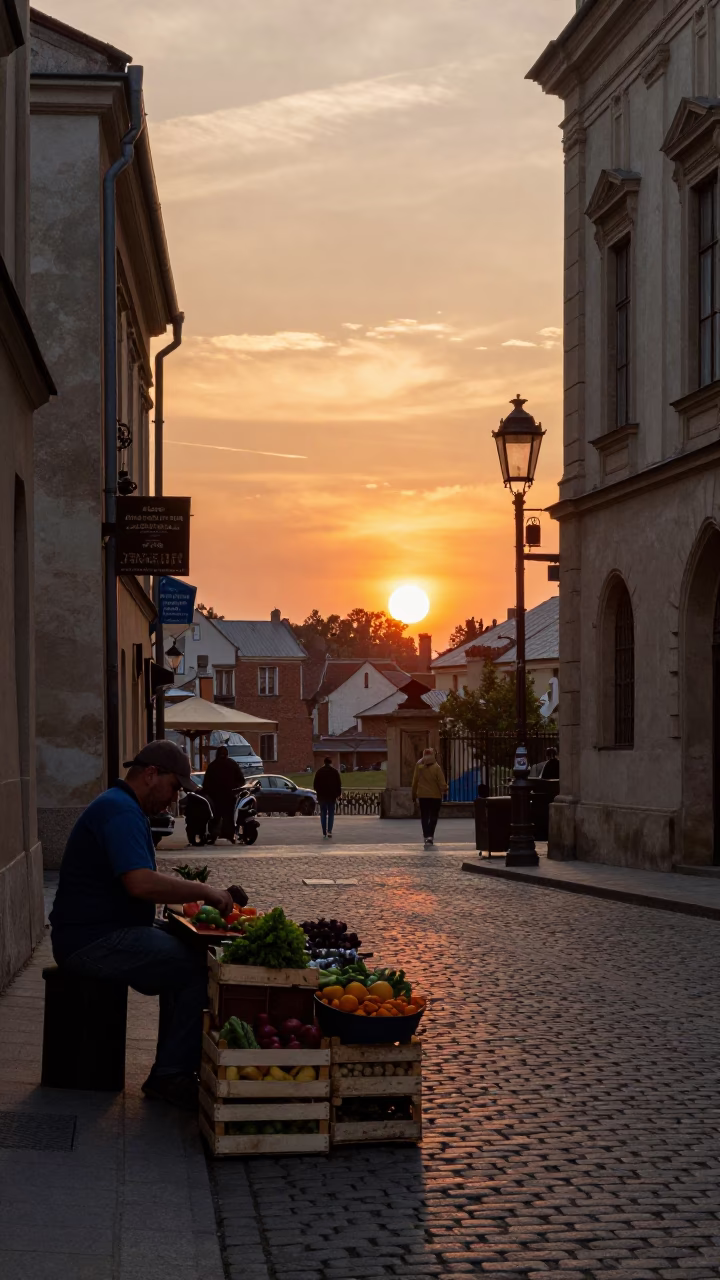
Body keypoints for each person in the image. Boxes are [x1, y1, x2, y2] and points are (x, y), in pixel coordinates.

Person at [49, 740, 236, 1110]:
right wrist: (202, 890)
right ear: (151, 774)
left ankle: (174, 1067)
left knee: (187, 954)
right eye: (174, 787)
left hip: (101, 930)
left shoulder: (121, 806)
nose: (174, 798)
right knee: (194, 967)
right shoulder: (119, 811)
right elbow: (140, 883)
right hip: (90, 940)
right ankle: (170, 1074)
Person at [202, 745, 245, 842]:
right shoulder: (232, 764)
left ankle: (213, 835)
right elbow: (241, 779)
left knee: (215, 816)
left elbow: (206, 783)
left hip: (215, 796)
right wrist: (236, 788)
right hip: (229, 795)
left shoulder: (212, 766)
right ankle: (229, 834)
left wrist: (206, 791)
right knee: (229, 816)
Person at [411, 746, 448, 848]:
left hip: (422, 795)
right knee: (433, 816)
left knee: (424, 816)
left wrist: (413, 794)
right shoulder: (436, 767)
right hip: (435, 796)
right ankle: (430, 836)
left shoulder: (419, 765)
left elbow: (415, 781)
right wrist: (445, 789)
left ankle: (426, 835)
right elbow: (442, 782)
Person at [313, 756, 342, 839]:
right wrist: (338, 794)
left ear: (324, 762)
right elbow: (338, 784)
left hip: (322, 796)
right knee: (331, 813)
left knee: (323, 813)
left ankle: (324, 831)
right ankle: (329, 830)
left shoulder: (319, 772)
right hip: (331, 796)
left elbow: (315, 785)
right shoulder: (335, 772)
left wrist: (319, 793)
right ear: (330, 763)